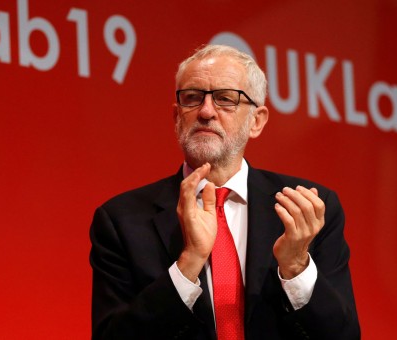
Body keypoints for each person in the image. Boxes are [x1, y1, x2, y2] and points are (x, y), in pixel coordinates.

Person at [89, 44, 360, 339]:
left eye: (225, 99)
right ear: (176, 116)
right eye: (192, 98)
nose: (206, 112)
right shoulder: (122, 219)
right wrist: (188, 263)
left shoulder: (307, 211)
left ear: (256, 121)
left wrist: (296, 266)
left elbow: (343, 335)